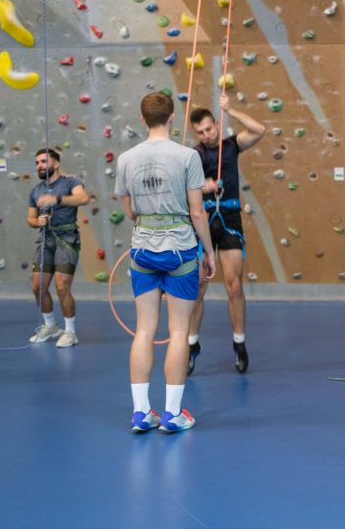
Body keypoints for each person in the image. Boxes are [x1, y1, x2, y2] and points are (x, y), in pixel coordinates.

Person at [115, 92, 216, 433]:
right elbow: (197, 212)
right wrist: (209, 252)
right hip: (180, 250)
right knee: (178, 331)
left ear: (142, 119)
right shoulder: (187, 156)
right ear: (172, 117)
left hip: (142, 249)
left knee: (144, 329)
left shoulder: (126, 159)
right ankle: (172, 414)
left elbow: (130, 211)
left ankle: (141, 413)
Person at [188, 92, 265, 374]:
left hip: (229, 218)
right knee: (198, 287)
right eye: (200, 132)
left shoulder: (232, 146)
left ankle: (239, 343)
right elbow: (182, 187)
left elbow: (259, 130)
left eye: (209, 129)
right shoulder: (193, 155)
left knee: (234, 286)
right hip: (203, 219)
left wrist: (231, 109)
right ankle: (191, 345)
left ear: (217, 125)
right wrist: (202, 186)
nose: (206, 135)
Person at [26, 148, 91, 348]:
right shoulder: (36, 190)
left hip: (66, 238)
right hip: (46, 239)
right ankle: (51, 326)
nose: (39, 165)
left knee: (62, 286)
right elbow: (30, 218)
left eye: (44, 161)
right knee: (37, 286)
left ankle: (70, 332)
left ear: (55, 164)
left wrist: (57, 199)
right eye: (37, 162)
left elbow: (83, 198)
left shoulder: (70, 182)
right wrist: (37, 221)